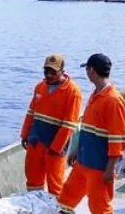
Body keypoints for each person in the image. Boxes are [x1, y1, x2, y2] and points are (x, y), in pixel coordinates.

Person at [56, 54, 125, 214]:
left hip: (100, 164)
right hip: (84, 160)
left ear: (91, 71)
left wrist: (110, 168)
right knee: (67, 195)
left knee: (98, 203)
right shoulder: (96, 95)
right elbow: (87, 128)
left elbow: (119, 138)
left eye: (87, 69)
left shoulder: (113, 100)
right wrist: (76, 150)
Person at [20, 54, 83, 196]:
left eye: (53, 72)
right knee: (33, 179)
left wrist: (56, 147)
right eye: (46, 71)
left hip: (55, 145)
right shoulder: (40, 87)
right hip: (36, 140)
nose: (49, 75)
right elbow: (31, 112)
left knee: (55, 182)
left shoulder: (73, 91)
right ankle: (35, 203)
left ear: (62, 71)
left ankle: (56, 207)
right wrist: (25, 134)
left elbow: (69, 123)